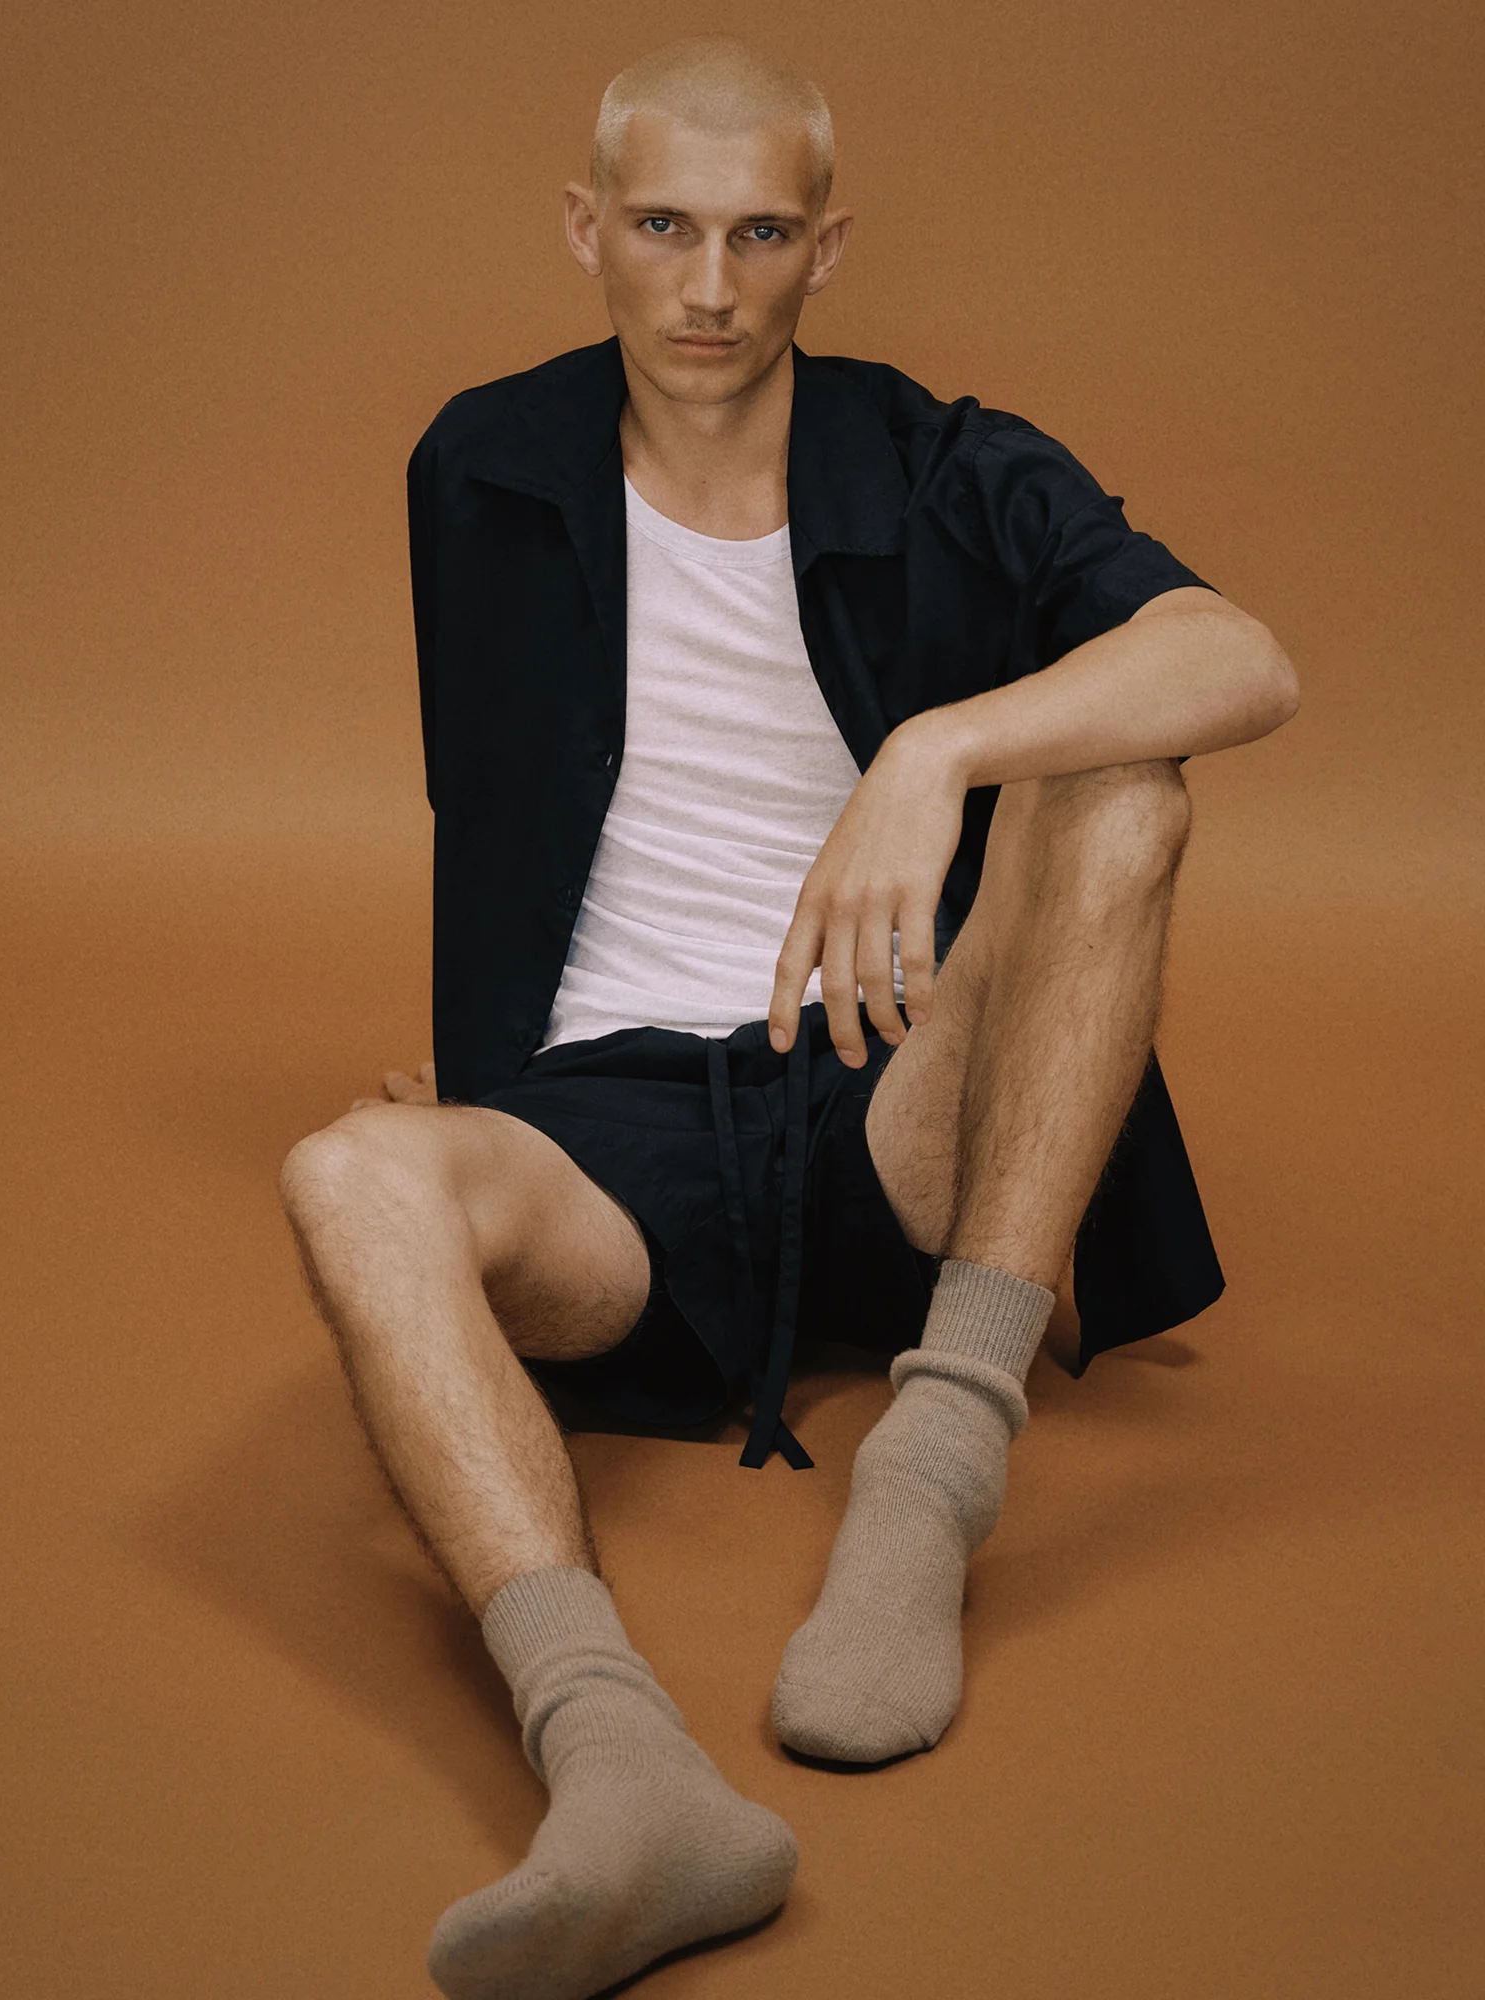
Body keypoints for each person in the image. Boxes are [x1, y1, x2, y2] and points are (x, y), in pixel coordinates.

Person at [278, 33, 1299, 2000]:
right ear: (586, 229)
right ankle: (619, 1770)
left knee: (1122, 783)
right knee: (347, 1174)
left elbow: (1238, 658)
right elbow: (490, 794)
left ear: (825, 249)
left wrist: (939, 749)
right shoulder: (480, 466)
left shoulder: (940, 460)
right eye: (662, 227)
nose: (708, 286)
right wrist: (473, 1092)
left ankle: (936, 1460)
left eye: (758, 235)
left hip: (894, 1086)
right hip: (604, 1134)